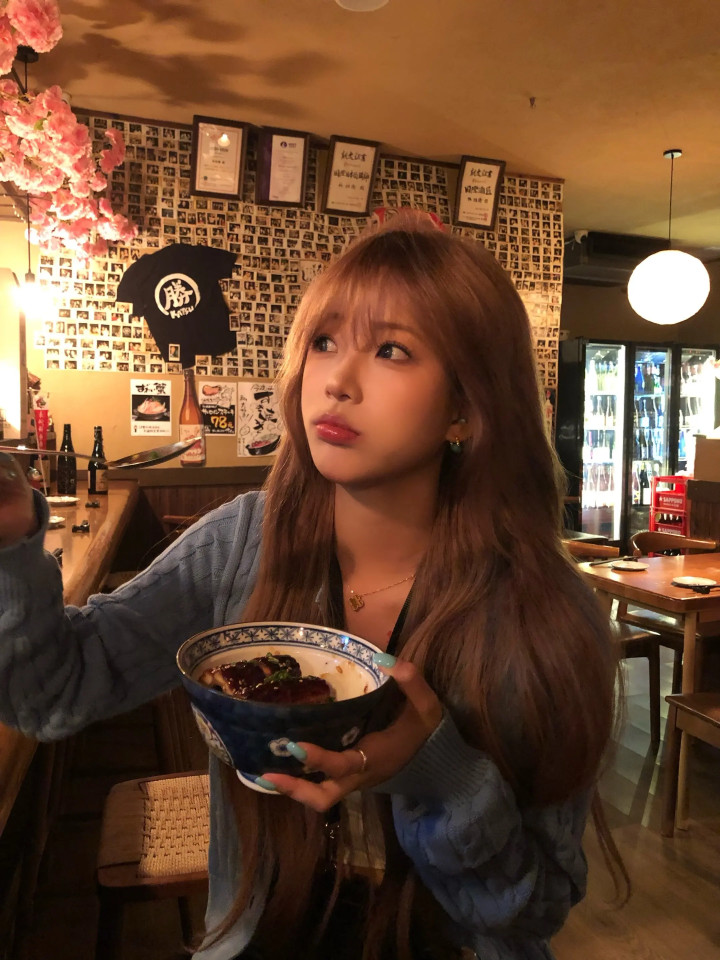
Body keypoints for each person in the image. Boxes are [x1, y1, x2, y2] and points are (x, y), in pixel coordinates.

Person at [0, 212, 623, 960]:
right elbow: (54, 692)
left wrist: (442, 777)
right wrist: (12, 537)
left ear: (465, 406)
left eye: (391, 350)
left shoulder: (542, 614)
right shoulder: (242, 543)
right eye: (324, 341)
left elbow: (535, 912)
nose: (337, 380)